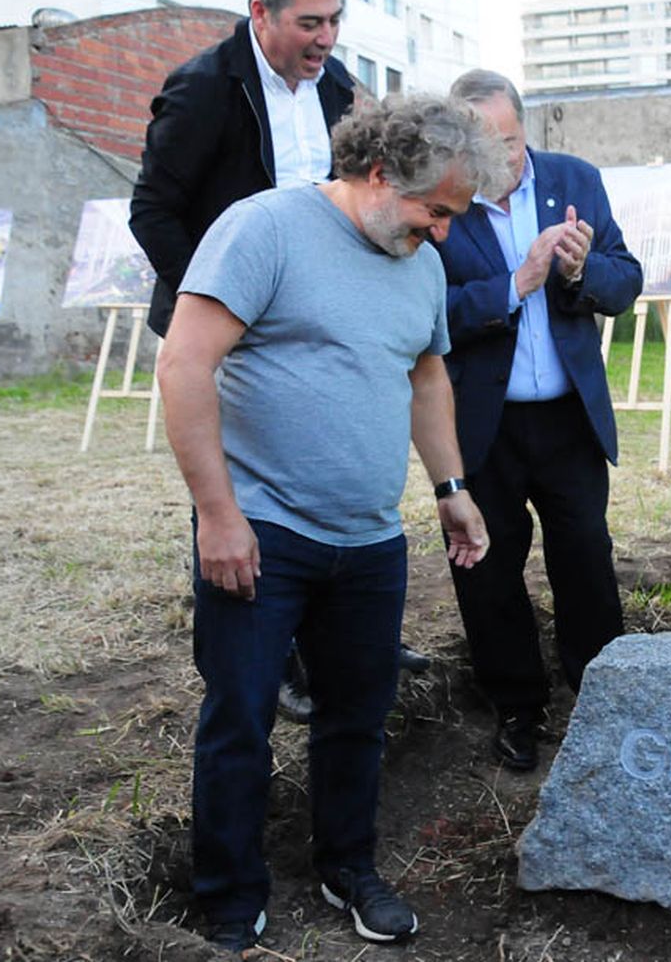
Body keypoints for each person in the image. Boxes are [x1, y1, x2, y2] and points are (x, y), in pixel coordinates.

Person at [156, 94, 504, 952]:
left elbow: (426, 379)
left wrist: (450, 482)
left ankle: (348, 866)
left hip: (370, 540)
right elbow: (184, 362)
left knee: (357, 716)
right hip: (262, 531)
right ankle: (229, 896)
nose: (446, 233)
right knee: (240, 717)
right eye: (438, 210)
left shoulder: (419, 262)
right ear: (381, 175)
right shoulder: (265, 229)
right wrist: (217, 514)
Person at [130, 0, 431, 721]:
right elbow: (151, 211)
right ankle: (258, 660)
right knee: (236, 488)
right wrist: (224, 297)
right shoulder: (202, 91)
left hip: (325, 324)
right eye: (309, 22)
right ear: (260, 12)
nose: (326, 39)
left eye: (335, 20)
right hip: (233, 331)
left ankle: (344, 641)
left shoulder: (339, 89)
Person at [435, 69, 642, 771]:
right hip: (482, 426)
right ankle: (518, 705)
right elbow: (428, 315)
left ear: (528, 129)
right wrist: (515, 284)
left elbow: (627, 280)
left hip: (567, 419)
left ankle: (599, 696)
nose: (502, 159)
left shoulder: (575, 179)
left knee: (585, 555)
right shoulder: (441, 199)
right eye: (484, 147)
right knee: (486, 570)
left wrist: (581, 275)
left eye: (511, 141)